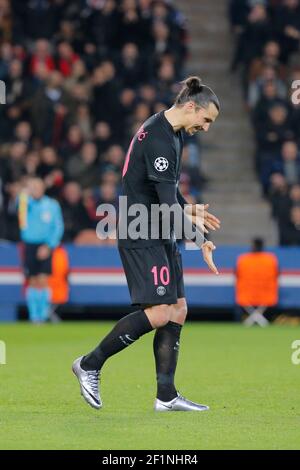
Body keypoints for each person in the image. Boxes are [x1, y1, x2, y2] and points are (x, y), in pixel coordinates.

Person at [72, 76, 221, 411]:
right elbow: (166, 203)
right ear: (190, 106)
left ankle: (166, 395)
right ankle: (90, 364)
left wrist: (191, 212)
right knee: (158, 313)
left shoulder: (172, 133)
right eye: (206, 119)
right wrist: (200, 239)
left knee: (178, 309)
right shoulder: (158, 138)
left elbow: (169, 193)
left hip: (159, 230)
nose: (207, 127)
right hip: (142, 232)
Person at [19, 177, 64, 323]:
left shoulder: (51, 205)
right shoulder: (25, 203)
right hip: (29, 245)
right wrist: (24, 196)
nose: (35, 190)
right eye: (32, 187)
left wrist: (49, 246)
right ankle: (34, 316)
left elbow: (58, 226)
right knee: (31, 280)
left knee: (43, 280)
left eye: (37, 187)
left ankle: (44, 314)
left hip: (45, 245)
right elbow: (19, 216)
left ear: (43, 188)